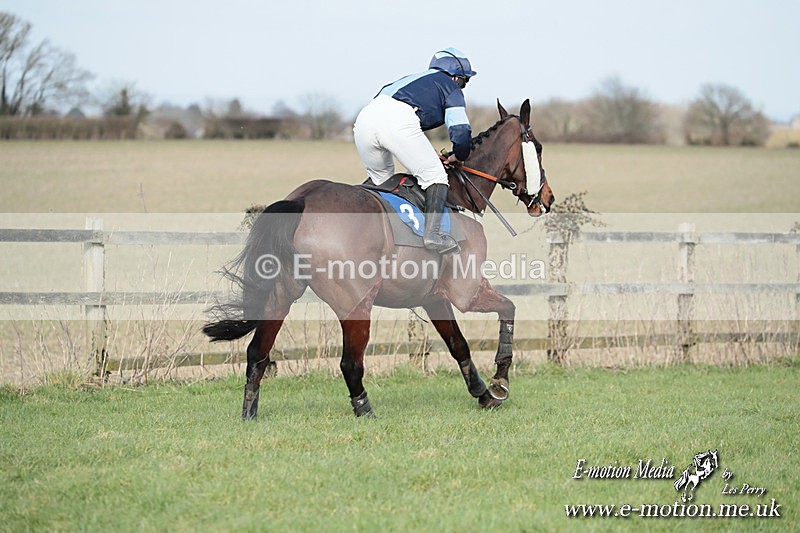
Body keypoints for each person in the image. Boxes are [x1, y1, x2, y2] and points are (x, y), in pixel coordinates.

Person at [353, 48, 476, 254]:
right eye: (464, 81)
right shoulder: (450, 87)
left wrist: (425, 152)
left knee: (380, 180)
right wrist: (460, 155)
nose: (463, 86)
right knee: (435, 175)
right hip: (397, 121)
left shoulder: (413, 80)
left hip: (364, 119)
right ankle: (433, 236)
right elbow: (461, 131)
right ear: (455, 76)